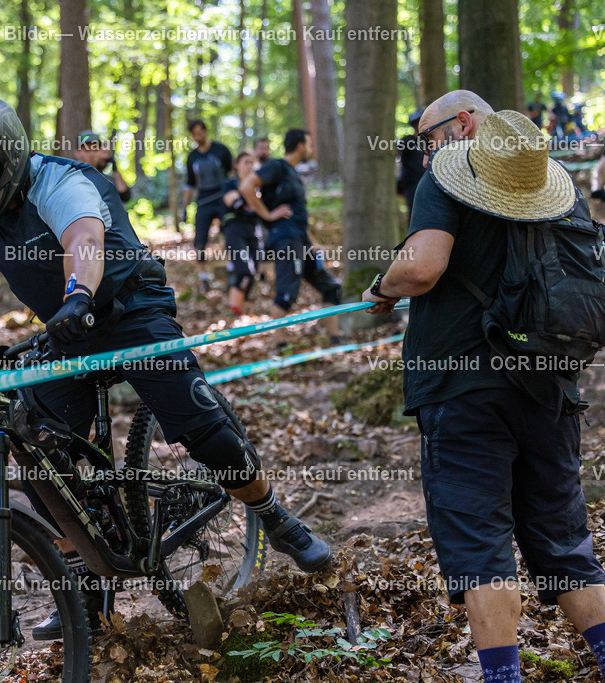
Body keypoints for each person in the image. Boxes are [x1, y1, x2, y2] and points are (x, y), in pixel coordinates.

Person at [0, 91, 332, 641]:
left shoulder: (58, 181)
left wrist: (78, 294)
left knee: (201, 426)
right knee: (37, 446)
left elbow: (84, 238)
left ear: (9, 157)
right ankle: (88, 585)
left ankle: (275, 516)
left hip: (130, 308)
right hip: (68, 328)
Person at [363, 91, 605, 683]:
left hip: (464, 388)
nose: (425, 155)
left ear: (464, 123)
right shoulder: (556, 184)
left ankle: (502, 677)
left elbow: (422, 266)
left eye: (427, 139)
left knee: (480, 547)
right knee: (566, 547)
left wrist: (383, 287)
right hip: (550, 385)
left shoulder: (450, 173)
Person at [239, 129, 342, 350]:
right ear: (300, 146)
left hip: (301, 240)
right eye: (309, 144)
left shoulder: (293, 174)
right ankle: (281, 346)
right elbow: (246, 187)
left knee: (331, 287)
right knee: (286, 296)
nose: (312, 149)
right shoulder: (276, 166)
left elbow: (298, 216)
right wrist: (267, 215)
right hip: (286, 241)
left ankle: (336, 341)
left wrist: (314, 244)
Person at [181, 119, 233, 293]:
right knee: (200, 240)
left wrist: (234, 197)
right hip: (203, 200)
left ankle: (231, 271)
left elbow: (232, 174)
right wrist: (185, 208)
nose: (197, 137)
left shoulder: (221, 150)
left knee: (230, 233)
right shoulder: (192, 157)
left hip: (222, 198)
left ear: (205, 131)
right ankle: (204, 277)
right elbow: (189, 184)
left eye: (199, 133)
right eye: (194, 134)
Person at [221, 152, 266, 316]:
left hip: (254, 231)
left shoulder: (260, 186)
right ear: (237, 165)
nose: (250, 166)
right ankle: (235, 312)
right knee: (244, 271)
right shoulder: (230, 184)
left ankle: (239, 311)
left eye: (252, 162)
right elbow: (233, 202)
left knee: (253, 273)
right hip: (235, 230)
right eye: (246, 162)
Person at [75, 130, 131, 202]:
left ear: (101, 152)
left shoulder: (107, 181)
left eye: (95, 150)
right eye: (87, 150)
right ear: (77, 153)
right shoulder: (70, 177)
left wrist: (115, 168)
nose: (92, 154)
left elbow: (125, 196)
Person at [397, 110, 426, 223]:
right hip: (412, 185)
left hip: (428, 183)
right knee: (415, 214)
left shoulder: (430, 142)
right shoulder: (408, 140)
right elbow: (397, 156)